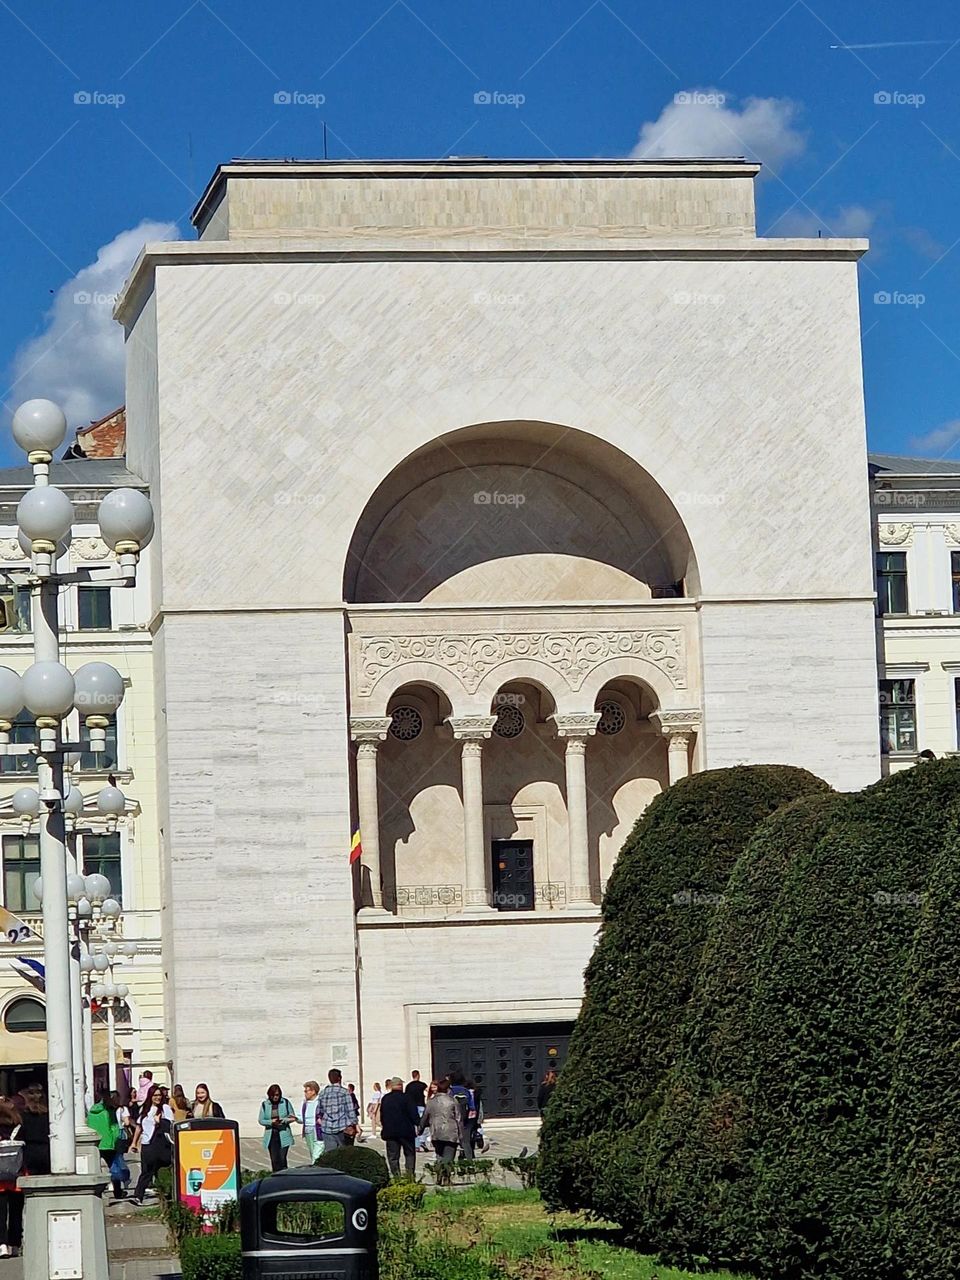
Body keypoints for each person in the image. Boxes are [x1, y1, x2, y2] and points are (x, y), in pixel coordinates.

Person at [129, 1085, 175, 1205]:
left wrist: (159, 1121)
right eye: (155, 1095)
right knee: (146, 1170)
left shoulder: (165, 1108)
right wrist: (134, 1142)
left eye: (159, 1095)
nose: (157, 1098)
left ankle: (168, 1192)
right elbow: (139, 1127)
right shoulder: (145, 1109)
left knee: (163, 1168)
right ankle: (138, 1196)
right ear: (150, 1096)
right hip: (147, 1143)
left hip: (161, 1144)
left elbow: (170, 1125)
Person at [87, 1089, 127, 1199]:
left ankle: (101, 1192)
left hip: (97, 1143)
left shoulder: (92, 1111)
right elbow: (114, 1128)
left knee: (97, 1169)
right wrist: (117, 1139)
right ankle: (118, 1193)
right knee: (114, 1168)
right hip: (110, 1144)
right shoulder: (110, 1111)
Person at [418, 1078, 463, 1167]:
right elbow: (458, 1119)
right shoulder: (452, 1101)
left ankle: (440, 1175)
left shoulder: (430, 1102)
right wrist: (461, 1135)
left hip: (436, 1132)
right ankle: (445, 1176)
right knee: (448, 1158)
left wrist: (420, 1130)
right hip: (451, 1133)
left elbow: (424, 1118)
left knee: (439, 1156)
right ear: (448, 1089)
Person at [379, 1078, 418, 1178]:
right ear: (400, 1085)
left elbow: (382, 1115)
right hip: (406, 1131)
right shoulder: (407, 1098)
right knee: (409, 1154)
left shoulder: (386, 1098)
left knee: (393, 1157)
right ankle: (410, 1176)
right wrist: (418, 1123)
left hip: (391, 1132)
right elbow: (413, 1114)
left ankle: (396, 1177)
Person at [0, 1098, 23, 1258]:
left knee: (0, 1212)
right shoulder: (20, 1124)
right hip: (17, 1172)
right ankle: (15, 1243)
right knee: (16, 1211)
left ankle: (2, 1244)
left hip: (0, 1176)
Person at [258, 1084, 297, 1171]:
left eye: (277, 1095)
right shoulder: (265, 1104)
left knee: (282, 1159)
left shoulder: (285, 1102)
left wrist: (283, 1120)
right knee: (275, 1160)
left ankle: (285, 1177)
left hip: (283, 1133)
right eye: (273, 1095)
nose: (275, 1097)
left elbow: (292, 1117)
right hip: (271, 1135)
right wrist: (271, 1122)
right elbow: (261, 1120)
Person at [317, 1070, 356, 1152]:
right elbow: (350, 1110)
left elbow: (319, 1110)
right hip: (342, 1127)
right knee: (344, 1153)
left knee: (330, 1153)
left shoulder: (323, 1093)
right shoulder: (344, 1092)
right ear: (339, 1078)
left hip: (327, 1127)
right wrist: (353, 1124)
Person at [17, 1086, 50, 1176]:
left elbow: (19, 1135)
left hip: (29, 1151)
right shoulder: (50, 1115)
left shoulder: (22, 1116)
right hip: (47, 1149)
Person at [301, 1081, 324, 1163]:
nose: (305, 1093)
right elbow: (303, 1117)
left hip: (317, 1130)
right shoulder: (305, 1103)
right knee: (312, 1152)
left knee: (316, 1155)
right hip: (308, 1130)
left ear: (313, 1091)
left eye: (306, 1091)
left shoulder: (320, 1102)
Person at [405, 1071, 428, 1151]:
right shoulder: (422, 1084)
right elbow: (429, 1091)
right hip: (421, 1105)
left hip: (412, 1107)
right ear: (418, 1075)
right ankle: (422, 1141)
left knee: (415, 1126)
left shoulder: (408, 1086)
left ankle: (416, 1145)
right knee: (422, 1124)